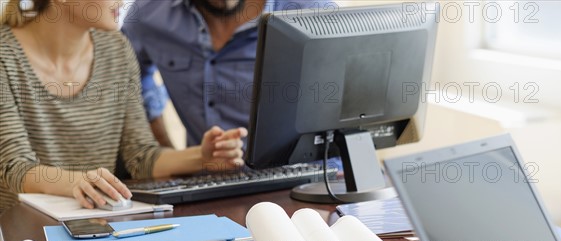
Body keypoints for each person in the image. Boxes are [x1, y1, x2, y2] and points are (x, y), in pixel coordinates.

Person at [0, 0, 247, 214]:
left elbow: (141, 156)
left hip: (98, 222)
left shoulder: (116, 48)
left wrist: (202, 157)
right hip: (22, 232)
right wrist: (78, 182)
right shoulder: (5, 56)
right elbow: (14, 168)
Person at [122, 0, 336, 147]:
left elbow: (345, 99)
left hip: (300, 184)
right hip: (205, 186)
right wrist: (165, 153)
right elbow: (129, 80)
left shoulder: (312, 10)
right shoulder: (148, 14)